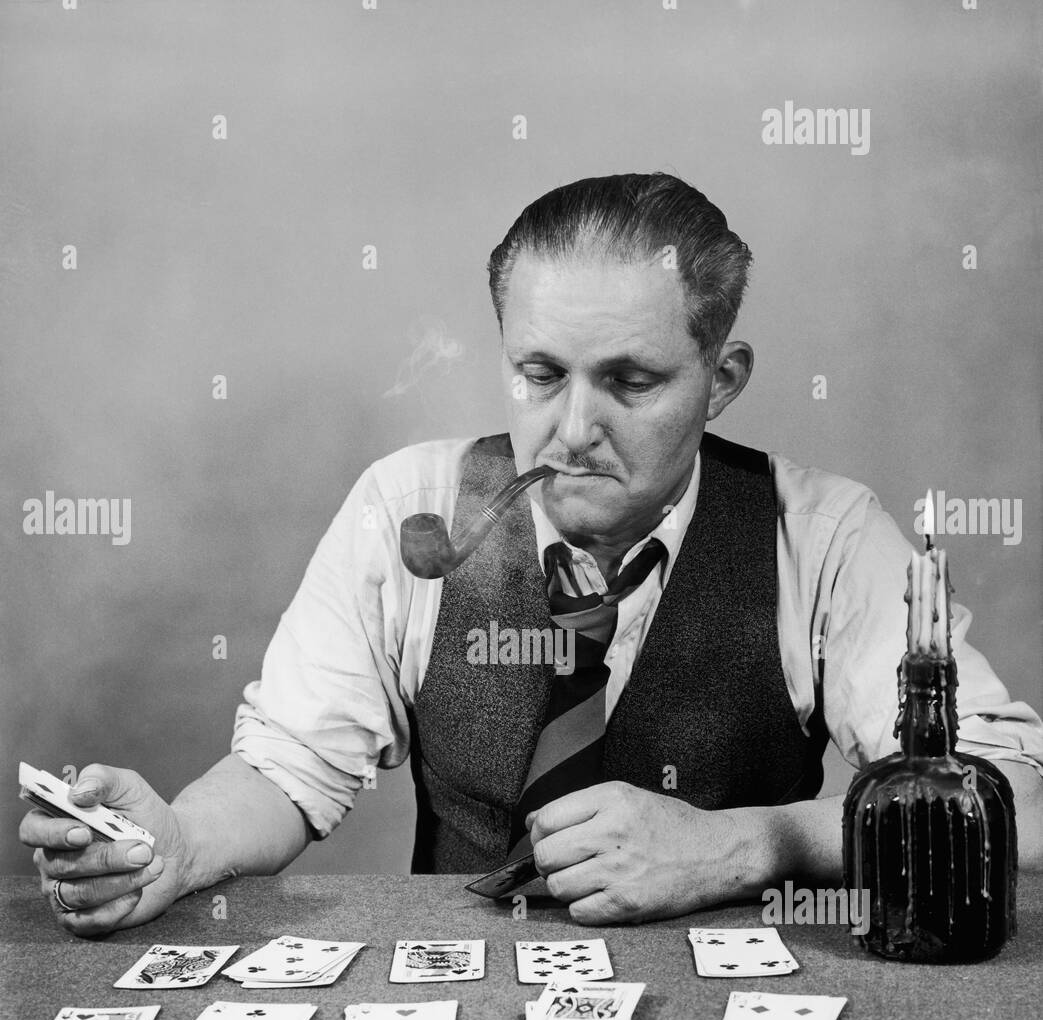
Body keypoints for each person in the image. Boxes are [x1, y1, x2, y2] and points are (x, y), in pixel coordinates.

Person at [20, 173, 1043, 935]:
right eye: (539, 374)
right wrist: (180, 843)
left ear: (720, 377)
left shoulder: (818, 534)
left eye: (630, 381)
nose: (573, 427)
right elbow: (287, 770)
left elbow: (1014, 807)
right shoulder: (406, 508)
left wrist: (750, 844)